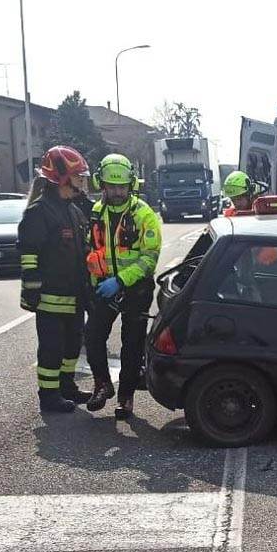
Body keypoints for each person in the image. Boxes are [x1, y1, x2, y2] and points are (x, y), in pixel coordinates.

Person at [84, 153, 162, 419]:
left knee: (132, 343)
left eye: (122, 186)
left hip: (135, 288)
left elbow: (149, 258)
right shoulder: (96, 212)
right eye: (111, 186)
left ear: (131, 185)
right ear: (101, 184)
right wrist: (97, 283)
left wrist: (120, 281)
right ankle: (102, 384)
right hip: (104, 288)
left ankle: (126, 397)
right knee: (93, 335)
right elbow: (93, 250)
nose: (117, 192)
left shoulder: (144, 214)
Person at [17, 146, 91, 413]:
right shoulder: (40, 212)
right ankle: (49, 397)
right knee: (52, 350)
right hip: (49, 298)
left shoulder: (71, 209)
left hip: (74, 296)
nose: (82, 181)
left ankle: (66, 387)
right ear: (61, 176)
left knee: (72, 347)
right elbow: (29, 255)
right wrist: (32, 291)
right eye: (77, 176)